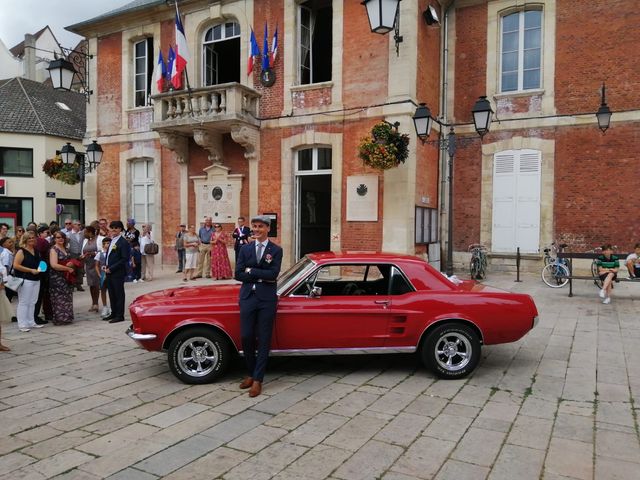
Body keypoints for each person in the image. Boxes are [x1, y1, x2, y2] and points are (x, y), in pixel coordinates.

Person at [235, 215, 283, 397]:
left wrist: (252, 271)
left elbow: (273, 274)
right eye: (254, 226)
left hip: (266, 299)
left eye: (260, 227)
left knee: (264, 338)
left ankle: (258, 380)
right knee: (246, 336)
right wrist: (260, 275)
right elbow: (238, 274)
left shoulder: (276, 250)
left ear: (267, 228)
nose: (256, 230)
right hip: (248, 296)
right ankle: (250, 372)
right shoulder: (245, 248)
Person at [12, 232, 44, 332]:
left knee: (33, 302)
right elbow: (16, 265)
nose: (31, 239)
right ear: (25, 240)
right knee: (24, 302)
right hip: (25, 279)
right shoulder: (21, 251)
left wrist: (40, 268)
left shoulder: (36, 251)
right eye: (29, 238)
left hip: (36, 279)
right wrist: (30, 270)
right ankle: (22, 324)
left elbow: (40, 263)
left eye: (33, 238)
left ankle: (31, 322)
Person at [103, 221, 131, 323]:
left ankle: (120, 315)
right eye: (112, 227)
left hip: (117, 272)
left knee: (119, 293)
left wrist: (112, 268)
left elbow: (124, 259)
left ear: (120, 229)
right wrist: (106, 266)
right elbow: (109, 255)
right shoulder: (111, 240)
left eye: (116, 228)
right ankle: (113, 313)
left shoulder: (123, 242)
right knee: (111, 293)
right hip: (109, 271)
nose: (114, 229)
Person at [49, 232, 75, 325]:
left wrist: (71, 264)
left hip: (66, 277)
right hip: (57, 277)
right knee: (58, 298)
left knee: (67, 296)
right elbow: (54, 265)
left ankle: (67, 317)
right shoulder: (54, 249)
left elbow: (69, 260)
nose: (61, 239)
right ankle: (60, 319)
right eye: (58, 237)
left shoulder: (66, 249)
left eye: (62, 237)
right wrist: (67, 268)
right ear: (54, 239)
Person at [33, 226, 51, 325]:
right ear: (39, 233)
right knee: (40, 294)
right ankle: (36, 315)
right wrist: (42, 272)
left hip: (39, 269)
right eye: (46, 232)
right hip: (42, 269)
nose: (48, 234)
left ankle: (35, 315)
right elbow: (42, 259)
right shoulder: (42, 242)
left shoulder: (39, 242)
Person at [82, 226, 100, 312]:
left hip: (96, 264)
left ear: (90, 232)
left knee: (96, 284)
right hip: (88, 265)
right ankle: (93, 303)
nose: (84, 234)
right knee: (91, 284)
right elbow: (83, 251)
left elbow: (101, 251)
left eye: (85, 232)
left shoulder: (98, 239)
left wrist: (92, 253)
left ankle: (96, 303)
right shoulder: (86, 241)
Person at [94, 237, 111, 318]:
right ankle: (105, 306)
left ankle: (112, 307)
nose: (108, 245)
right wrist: (99, 274)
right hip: (102, 274)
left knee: (112, 290)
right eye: (106, 243)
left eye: (109, 243)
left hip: (111, 274)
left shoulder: (112, 253)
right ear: (103, 244)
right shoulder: (100, 253)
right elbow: (96, 265)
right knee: (103, 290)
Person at [67, 220, 85, 291]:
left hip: (80, 254)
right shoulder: (68, 234)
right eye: (78, 225)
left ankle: (79, 284)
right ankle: (72, 284)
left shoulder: (82, 234)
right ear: (73, 225)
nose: (80, 226)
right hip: (72, 254)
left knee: (80, 270)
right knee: (72, 269)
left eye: (80, 225)